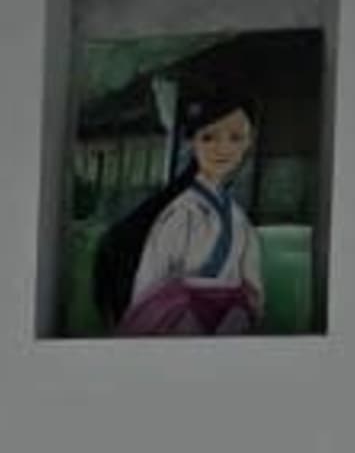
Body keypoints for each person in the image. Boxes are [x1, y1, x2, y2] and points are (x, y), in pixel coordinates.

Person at [93, 69, 265, 336]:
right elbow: (151, 283)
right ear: (193, 142)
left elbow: (251, 284)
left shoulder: (238, 218)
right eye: (209, 137)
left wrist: (241, 312)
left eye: (235, 138)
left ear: (249, 142)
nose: (223, 148)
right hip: (179, 320)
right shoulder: (181, 211)